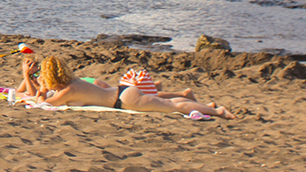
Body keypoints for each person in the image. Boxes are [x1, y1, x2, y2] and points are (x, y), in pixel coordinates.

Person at [17, 56, 232, 118]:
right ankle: (204, 105)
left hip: (125, 99)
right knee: (170, 103)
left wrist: (43, 89)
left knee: (173, 107)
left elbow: (43, 103)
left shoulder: (68, 91)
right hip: (122, 91)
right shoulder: (72, 83)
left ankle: (216, 111)